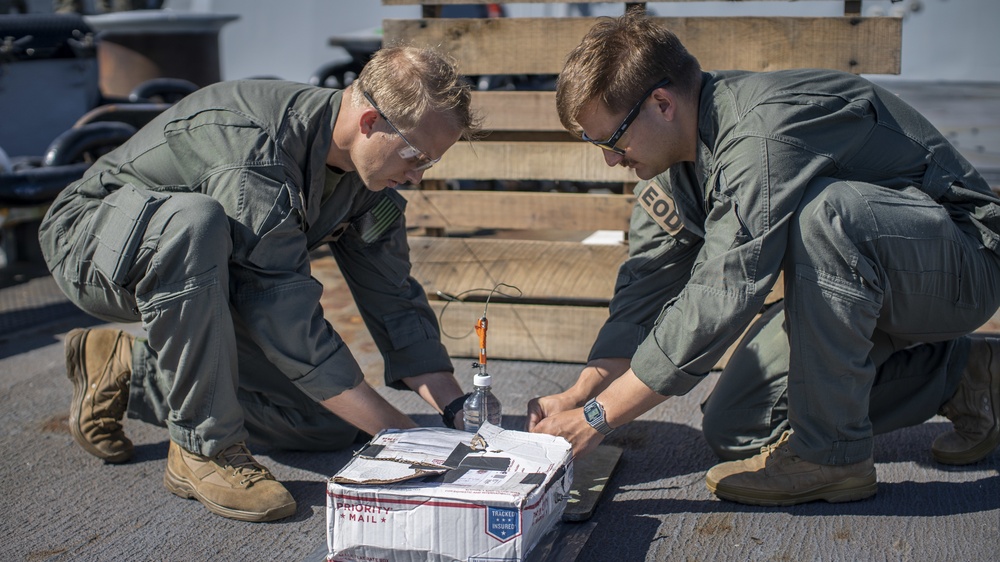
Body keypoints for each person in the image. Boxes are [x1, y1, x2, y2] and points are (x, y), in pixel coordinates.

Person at [527, 10, 1000, 507]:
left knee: (827, 215)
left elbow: (719, 297)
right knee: (739, 425)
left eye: (611, 140)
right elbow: (642, 296)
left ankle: (833, 459)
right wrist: (580, 395)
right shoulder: (670, 163)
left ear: (661, 103)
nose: (609, 160)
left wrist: (599, 419)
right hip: (856, 288)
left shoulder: (759, 138)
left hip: (960, 263)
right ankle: (963, 376)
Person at [38, 46, 481, 522]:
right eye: (415, 156)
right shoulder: (257, 157)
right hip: (92, 242)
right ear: (370, 122)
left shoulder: (371, 181)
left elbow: (393, 297)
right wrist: (408, 440)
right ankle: (201, 447)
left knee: (323, 425)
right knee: (194, 222)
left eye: (429, 164)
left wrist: (459, 407)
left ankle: (128, 369)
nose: (416, 176)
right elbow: (284, 320)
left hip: (204, 276)